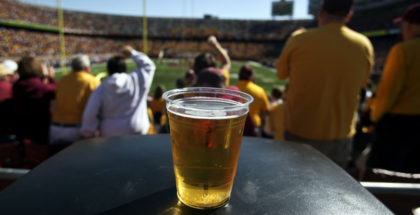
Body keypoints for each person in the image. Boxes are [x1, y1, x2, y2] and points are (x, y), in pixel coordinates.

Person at [275, 0, 374, 167]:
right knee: (332, 189)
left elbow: (281, 73)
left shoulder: (299, 39)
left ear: (321, 14)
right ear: (348, 16)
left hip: (300, 129)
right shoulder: (364, 44)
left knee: (296, 183)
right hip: (341, 133)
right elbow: (363, 83)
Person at [368, 4, 420, 173]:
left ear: (411, 26)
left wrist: (374, 118)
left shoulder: (403, 50)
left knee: (385, 178)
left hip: (399, 126)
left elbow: (388, 93)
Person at [81, 46, 156, 138]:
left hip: (109, 135)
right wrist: (132, 53)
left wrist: (89, 133)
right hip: (137, 131)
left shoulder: (101, 88)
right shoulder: (136, 80)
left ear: (108, 70)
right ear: (124, 68)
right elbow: (149, 66)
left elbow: (90, 113)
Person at [50, 55, 100, 145]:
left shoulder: (62, 80)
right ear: (88, 68)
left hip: (55, 128)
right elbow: (96, 108)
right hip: (77, 129)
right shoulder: (92, 81)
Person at [13, 57, 56, 145]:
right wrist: (51, 78)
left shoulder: (17, 84)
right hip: (40, 129)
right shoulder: (35, 85)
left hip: (24, 128)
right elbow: (54, 91)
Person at [236, 64, 270, 136]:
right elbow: (265, 111)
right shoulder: (260, 90)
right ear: (251, 75)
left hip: (237, 125)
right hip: (255, 125)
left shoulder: (234, 89)